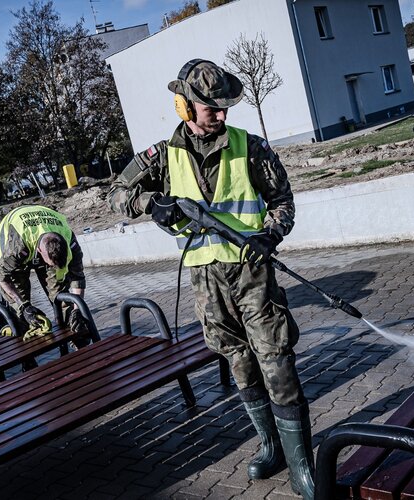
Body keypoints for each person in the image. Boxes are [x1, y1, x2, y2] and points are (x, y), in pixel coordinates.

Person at [107, 59, 314, 498]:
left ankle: (303, 467)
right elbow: (116, 194)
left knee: (276, 360)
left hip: (252, 274)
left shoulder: (250, 146)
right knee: (239, 363)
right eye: (212, 109)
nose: (222, 116)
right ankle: (270, 446)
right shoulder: (161, 156)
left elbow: (283, 200)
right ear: (185, 107)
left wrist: (269, 234)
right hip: (207, 283)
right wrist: (152, 205)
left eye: (225, 108)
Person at [0, 204, 89, 342]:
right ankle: (27, 356)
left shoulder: (69, 241)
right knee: (20, 312)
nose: (54, 267)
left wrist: (77, 310)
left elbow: (78, 277)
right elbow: (1, 275)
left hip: (42, 234)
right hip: (16, 258)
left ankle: (78, 342)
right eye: (51, 264)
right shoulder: (17, 248)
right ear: (39, 252)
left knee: (62, 300)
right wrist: (23, 305)